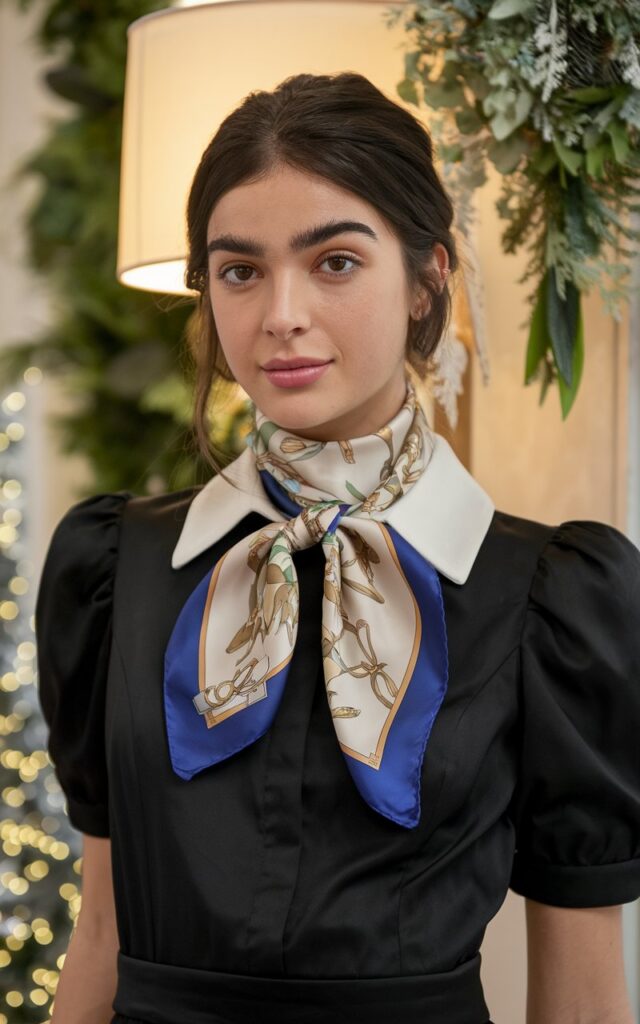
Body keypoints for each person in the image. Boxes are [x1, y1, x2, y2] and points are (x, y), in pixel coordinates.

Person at [35, 71, 640, 1024]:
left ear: (427, 277)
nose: (280, 314)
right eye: (239, 271)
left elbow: (584, 996)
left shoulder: (550, 597)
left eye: (335, 263)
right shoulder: (117, 569)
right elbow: (101, 929)